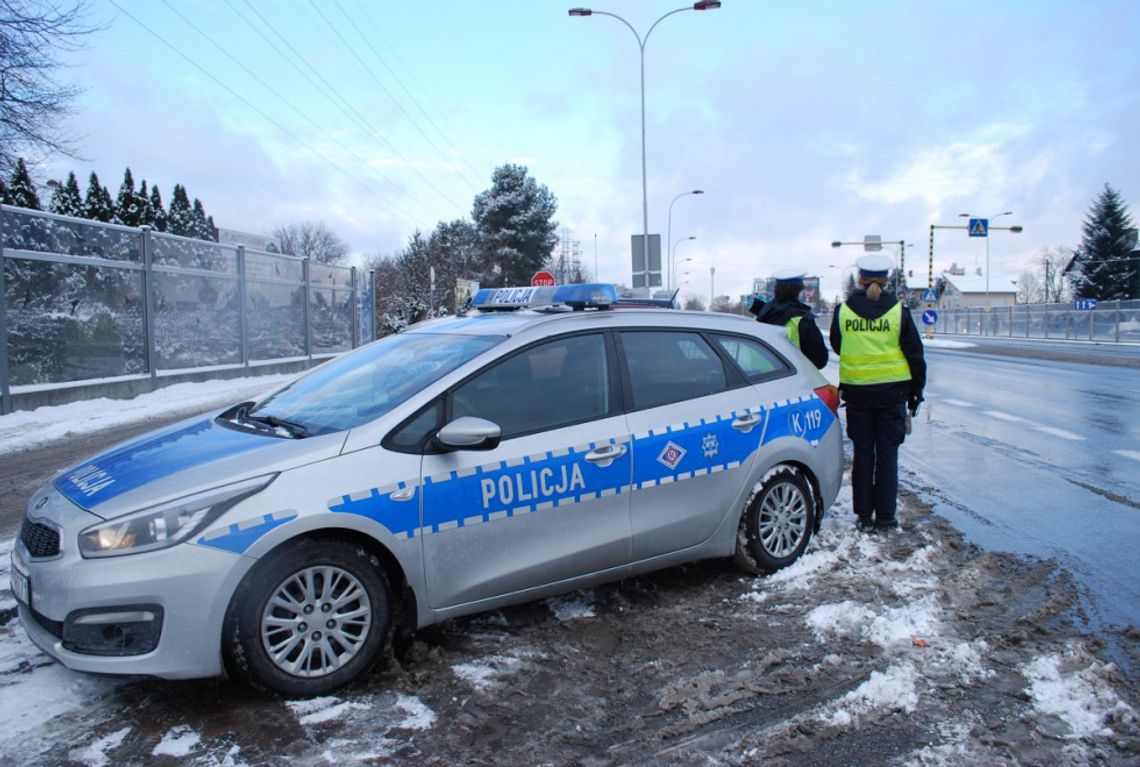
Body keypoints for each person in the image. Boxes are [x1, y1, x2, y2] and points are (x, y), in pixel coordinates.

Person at [829, 254, 926, 532]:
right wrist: (915, 394)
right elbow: (915, 356)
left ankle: (863, 515)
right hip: (892, 396)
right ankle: (886, 516)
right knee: (887, 455)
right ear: (886, 280)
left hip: (858, 396)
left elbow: (838, 346)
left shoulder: (843, 312)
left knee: (862, 455)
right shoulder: (899, 312)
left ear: (860, 279)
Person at [753, 269, 829, 368]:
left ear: (776, 290)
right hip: (791, 380)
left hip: (759, 378)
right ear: (798, 291)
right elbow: (819, 361)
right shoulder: (802, 319)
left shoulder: (762, 314)